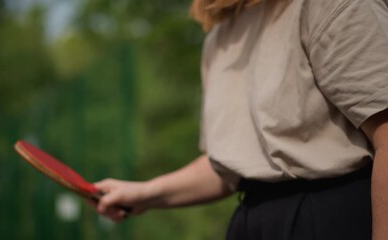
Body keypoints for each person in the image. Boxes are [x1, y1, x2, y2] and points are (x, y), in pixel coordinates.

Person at [93, 0, 388, 239]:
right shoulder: (219, 38)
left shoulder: (333, 5)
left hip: (333, 220)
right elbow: (232, 164)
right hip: (250, 223)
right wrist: (146, 194)